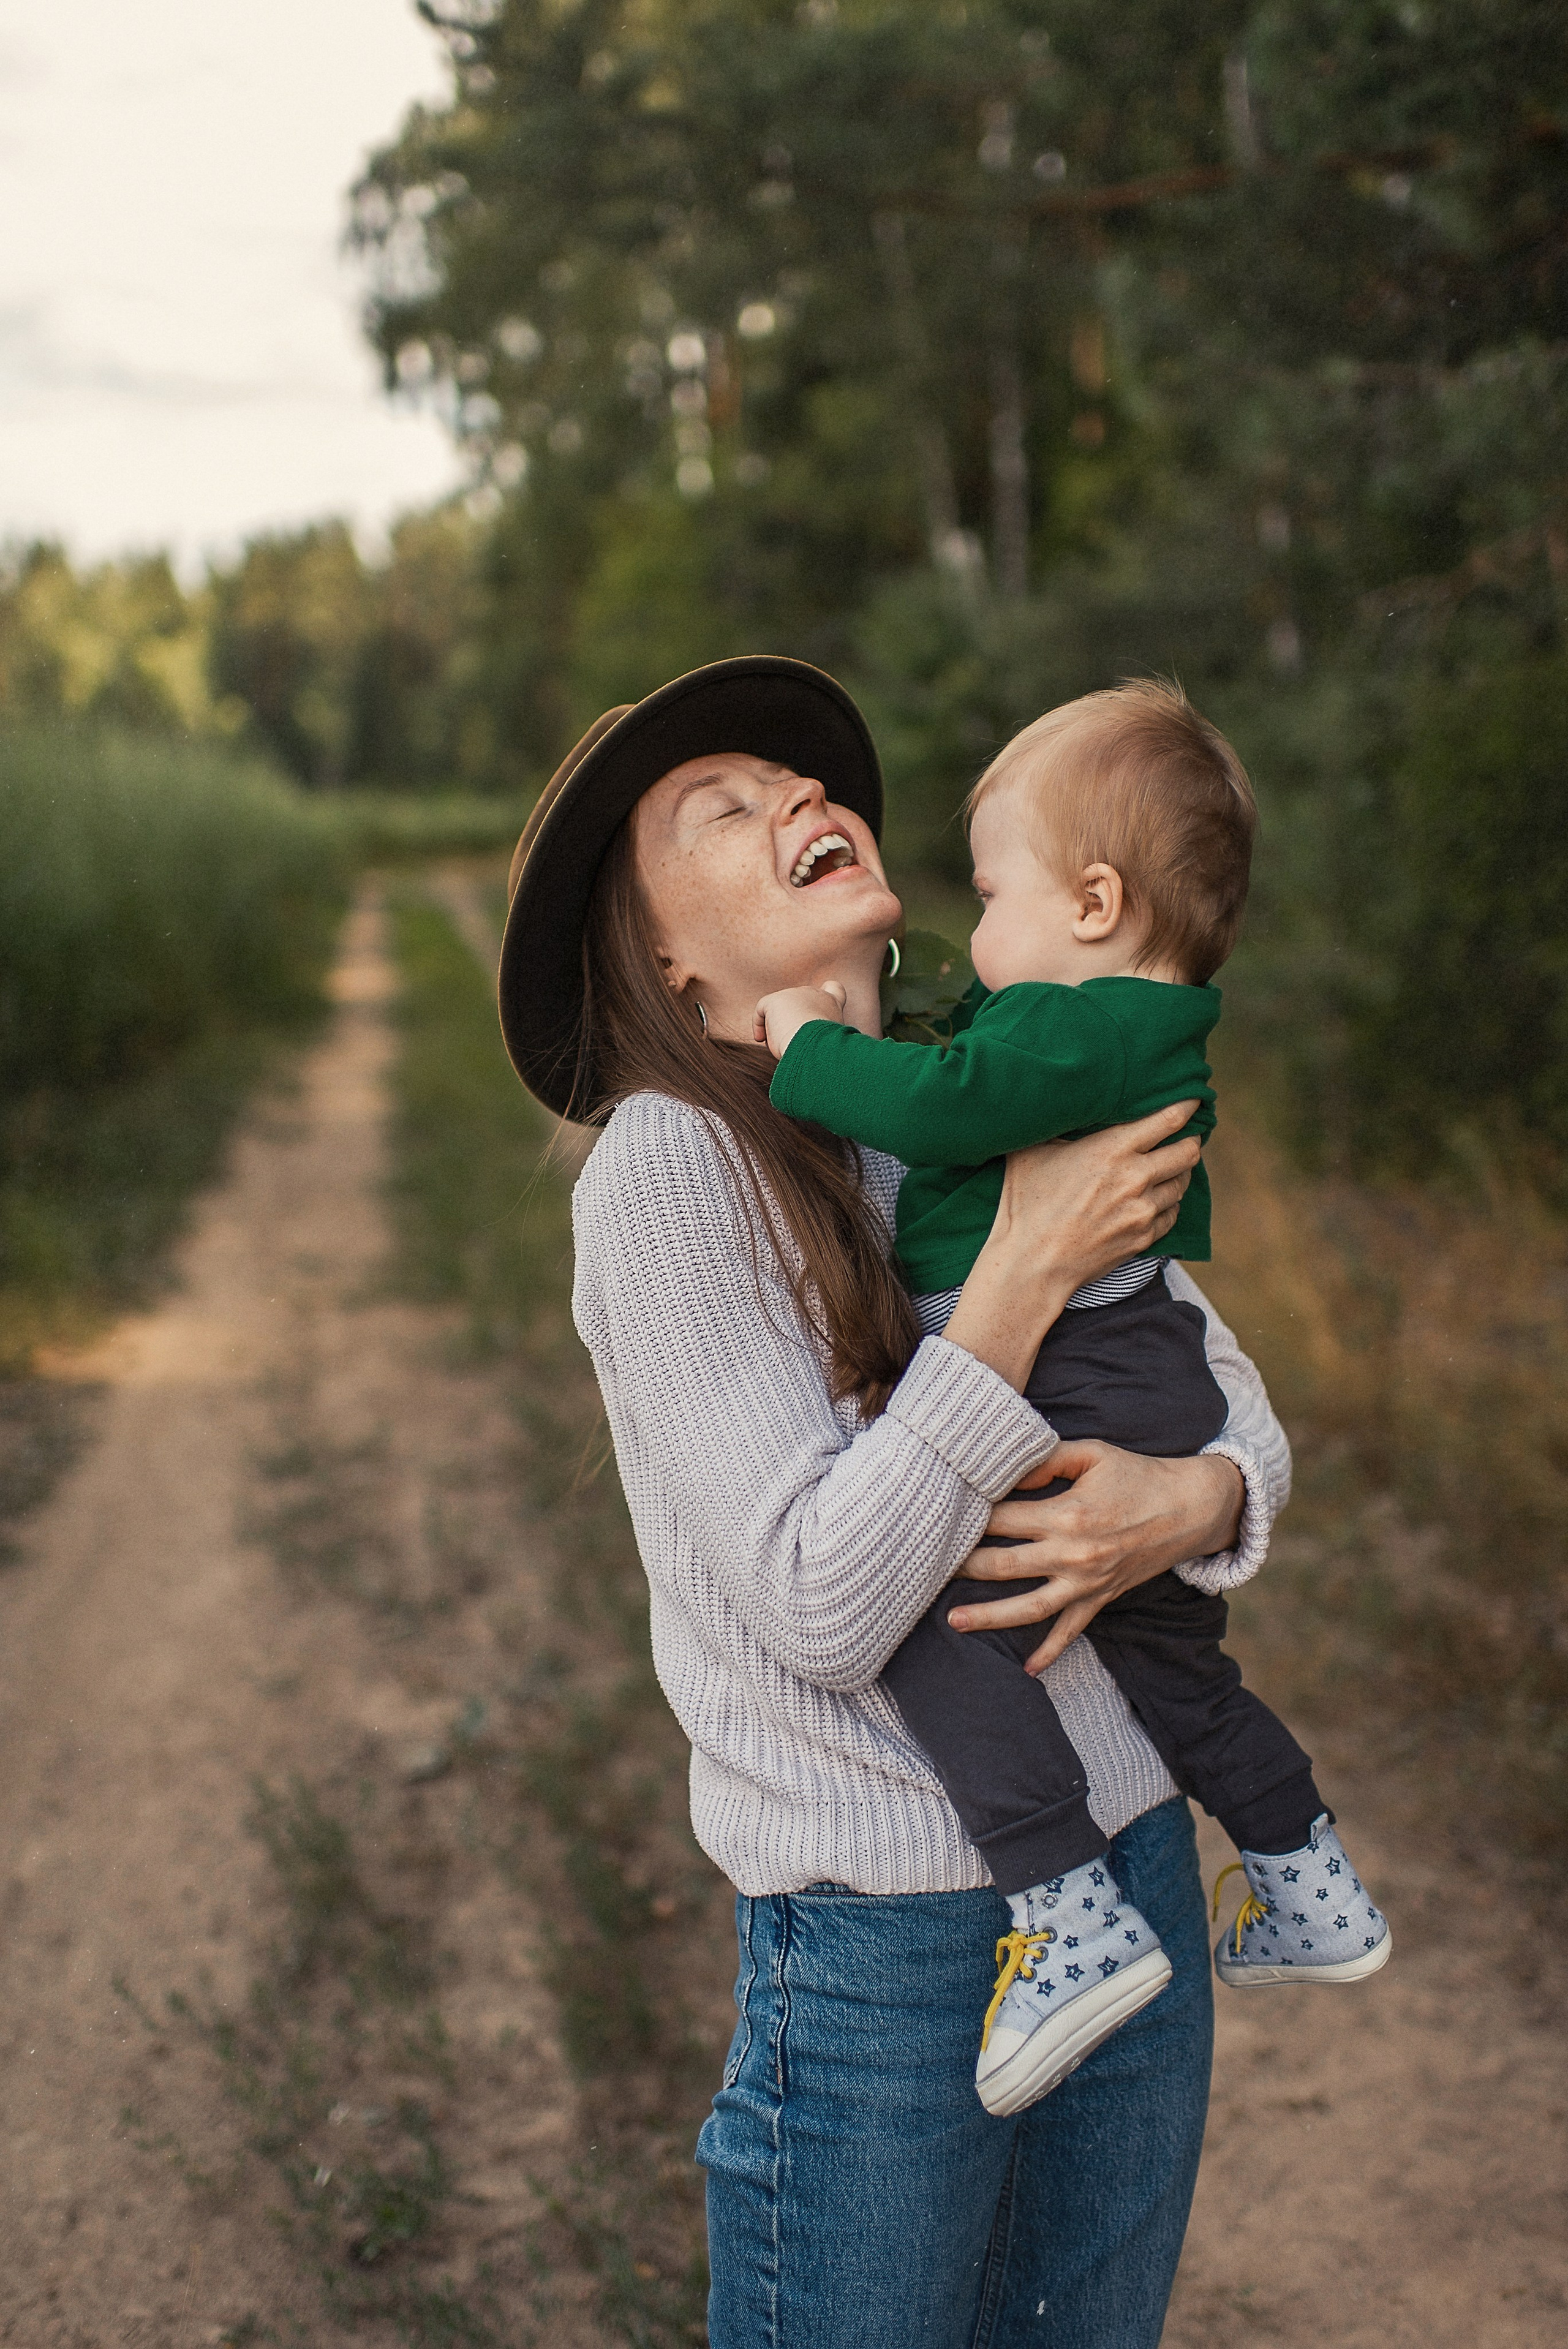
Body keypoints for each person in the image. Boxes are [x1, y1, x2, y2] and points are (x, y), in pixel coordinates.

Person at [497, 657, 1294, 2348]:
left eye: (798, 780)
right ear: (664, 958)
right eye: (722, 809)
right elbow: (822, 1602)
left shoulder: (985, 1089)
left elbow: (1227, 1401)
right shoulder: (669, 1170)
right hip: (893, 1952)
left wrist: (1198, 1496)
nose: (799, 798)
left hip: (1137, 1861)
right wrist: (1022, 1270)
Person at [753, 679, 1389, 2121]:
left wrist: (806, 1051)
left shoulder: (1080, 1028)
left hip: (1081, 1373)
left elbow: (938, 1108)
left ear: (1093, 901)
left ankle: (1065, 1907)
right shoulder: (1125, 1029)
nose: (971, 943)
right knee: (1176, 1666)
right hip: (1135, 1365)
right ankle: (1302, 1874)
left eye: (989, 897)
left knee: (937, 1601)